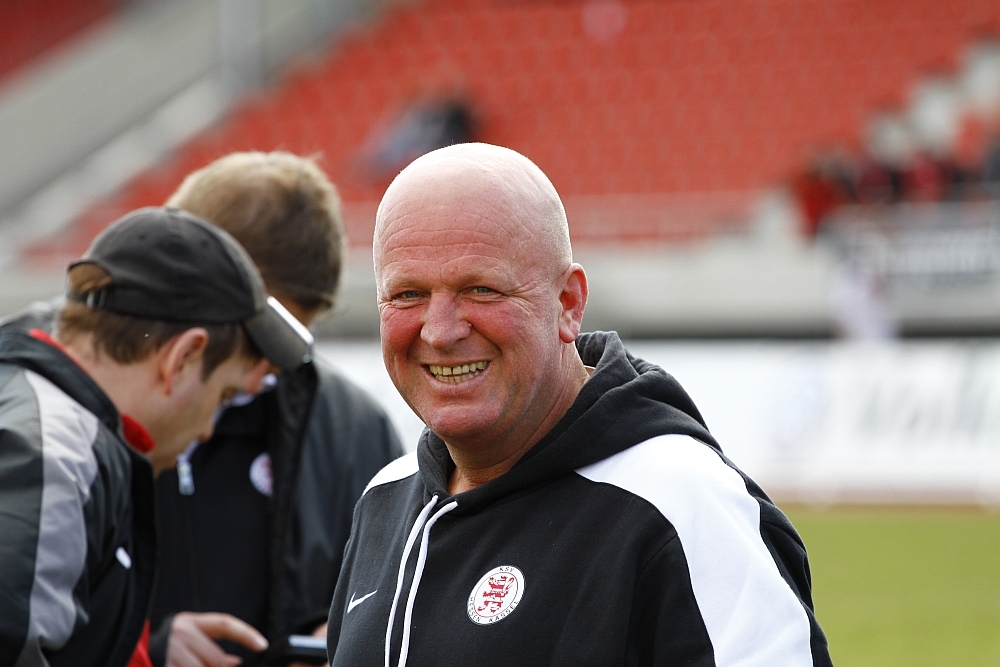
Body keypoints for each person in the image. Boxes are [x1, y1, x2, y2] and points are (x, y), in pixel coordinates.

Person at [325, 143, 833, 666]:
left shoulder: (684, 508)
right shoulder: (385, 499)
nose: (440, 331)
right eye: (407, 294)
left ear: (568, 303)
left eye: (480, 289)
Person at [0, 206, 314, 667]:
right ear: (183, 357)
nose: (208, 429)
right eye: (224, 395)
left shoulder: (40, 417)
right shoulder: (56, 458)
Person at [147, 152, 403, 667]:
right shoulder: (85, 416)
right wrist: (142, 646)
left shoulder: (354, 429)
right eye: (260, 334)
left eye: (293, 342)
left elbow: (400, 599)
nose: (267, 367)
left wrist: (352, 634)